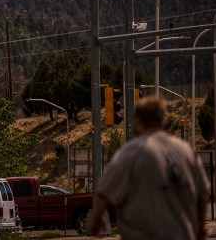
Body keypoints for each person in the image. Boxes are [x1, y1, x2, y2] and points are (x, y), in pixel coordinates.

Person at [87, 96, 208, 240]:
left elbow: (104, 193)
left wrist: (96, 220)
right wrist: (201, 227)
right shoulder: (185, 151)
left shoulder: (131, 152)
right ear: (161, 120)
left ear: (138, 120)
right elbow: (202, 194)